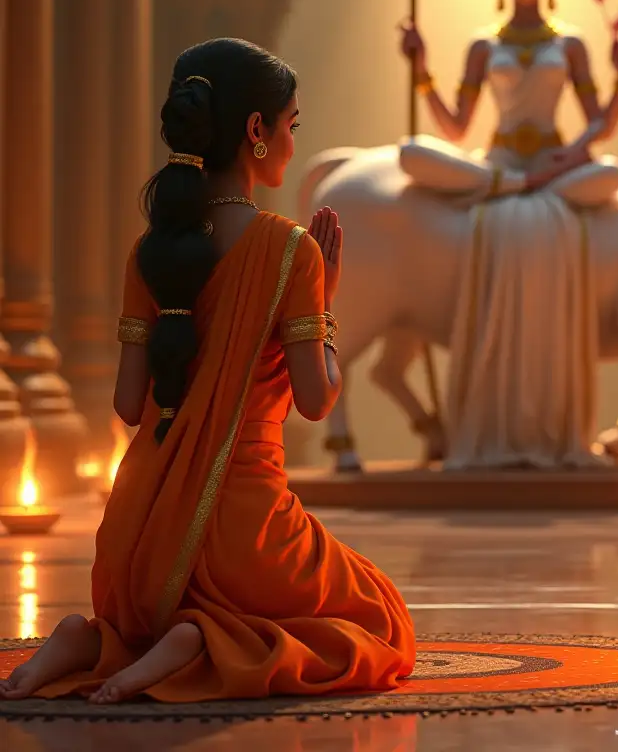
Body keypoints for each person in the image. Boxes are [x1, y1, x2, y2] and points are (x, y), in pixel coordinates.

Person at [0, 38, 416, 704]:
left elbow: (129, 404)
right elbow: (317, 399)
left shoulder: (152, 252)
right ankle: (203, 642)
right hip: (246, 536)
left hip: (137, 544)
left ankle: (93, 638)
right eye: (291, 125)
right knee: (380, 619)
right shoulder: (290, 252)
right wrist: (324, 310)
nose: (290, 141)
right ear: (256, 131)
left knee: (138, 617)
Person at [397, 0, 618, 206]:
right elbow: (457, 129)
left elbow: (600, 127)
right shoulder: (484, 45)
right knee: (411, 153)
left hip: (554, 165)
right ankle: (519, 182)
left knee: (610, 173)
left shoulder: (569, 44)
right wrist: (421, 70)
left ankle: (523, 183)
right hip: (499, 163)